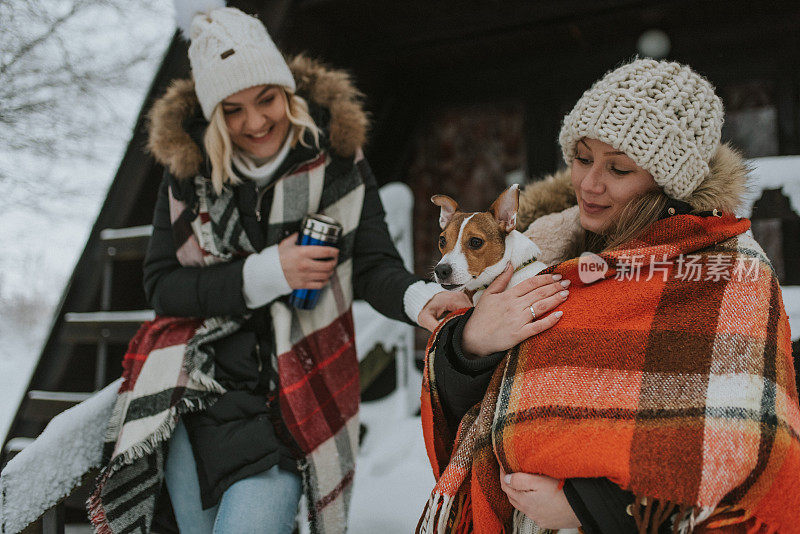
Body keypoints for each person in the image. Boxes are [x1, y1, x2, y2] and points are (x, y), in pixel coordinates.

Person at [87, 5, 471, 534]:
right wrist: (269, 272)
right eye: (232, 109)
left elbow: (372, 263)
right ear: (212, 114)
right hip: (199, 392)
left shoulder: (335, 158)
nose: (255, 122)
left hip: (295, 394)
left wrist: (417, 299)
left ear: (287, 91)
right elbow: (163, 288)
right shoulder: (189, 174)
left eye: (266, 99)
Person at [418, 59, 800, 534]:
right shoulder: (544, 244)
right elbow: (467, 403)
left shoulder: (725, 269)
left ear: (668, 180)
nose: (590, 184)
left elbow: (748, 445)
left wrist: (586, 506)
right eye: (582, 158)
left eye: (618, 167)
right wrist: (472, 342)